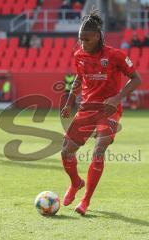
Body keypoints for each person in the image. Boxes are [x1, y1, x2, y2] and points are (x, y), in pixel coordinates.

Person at [60, 7, 141, 215]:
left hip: (108, 109)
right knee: (66, 151)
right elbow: (79, 77)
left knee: (99, 149)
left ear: (97, 36)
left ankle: (85, 201)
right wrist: (69, 101)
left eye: (86, 39)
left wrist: (117, 98)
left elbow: (136, 79)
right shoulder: (79, 55)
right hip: (87, 107)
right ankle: (75, 183)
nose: (82, 44)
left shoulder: (116, 56)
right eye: (80, 39)